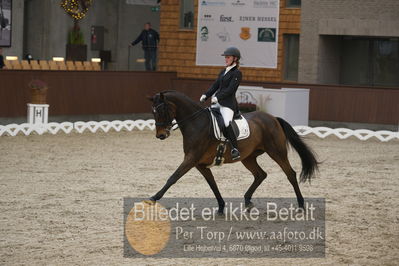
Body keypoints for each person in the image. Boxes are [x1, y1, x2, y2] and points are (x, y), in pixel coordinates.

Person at [200, 47, 242, 160]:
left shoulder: (237, 73)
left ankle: (235, 149)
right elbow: (215, 86)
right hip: (217, 102)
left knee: (227, 123)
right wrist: (206, 95)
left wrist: (217, 97)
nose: (226, 59)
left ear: (235, 59)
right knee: (208, 118)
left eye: (228, 57)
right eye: (225, 57)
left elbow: (230, 90)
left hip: (228, 104)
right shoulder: (223, 71)